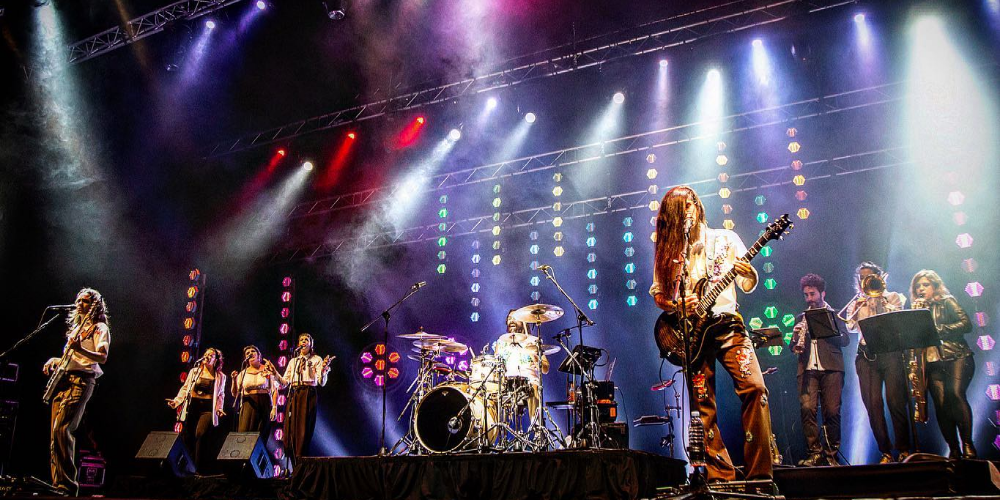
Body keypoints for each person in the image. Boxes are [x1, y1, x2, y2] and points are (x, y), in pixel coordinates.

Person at [649, 185, 773, 481]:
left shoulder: (725, 239)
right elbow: (658, 295)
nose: (684, 217)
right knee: (703, 406)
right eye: (676, 214)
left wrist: (750, 274)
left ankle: (760, 477)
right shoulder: (670, 254)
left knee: (755, 389)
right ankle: (720, 477)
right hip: (693, 335)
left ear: (696, 207)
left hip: (728, 324)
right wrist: (677, 305)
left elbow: (747, 283)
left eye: (687, 208)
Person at [42, 288, 111, 496]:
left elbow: (102, 356)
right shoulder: (77, 329)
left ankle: (68, 485)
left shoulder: (99, 328)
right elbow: (72, 358)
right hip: (65, 380)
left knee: (63, 428)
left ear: (94, 306)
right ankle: (58, 483)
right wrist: (56, 360)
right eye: (78, 300)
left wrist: (79, 349)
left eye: (85, 301)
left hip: (81, 381)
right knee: (55, 432)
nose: (80, 304)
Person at [842, 261, 910, 463]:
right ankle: (886, 451)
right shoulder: (856, 303)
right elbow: (851, 328)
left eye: (869, 277)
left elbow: (896, 321)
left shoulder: (893, 297)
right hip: (866, 356)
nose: (865, 281)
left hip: (890, 354)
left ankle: (904, 448)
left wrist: (880, 300)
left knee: (895, 401)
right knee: (873, 405)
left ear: (879, 278)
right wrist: (858, 307)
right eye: (862, 278)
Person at [910, 269, 975, 459]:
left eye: (925, 285)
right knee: (941, 405)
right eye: (918, 286)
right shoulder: (915, 310)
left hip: (956, 355)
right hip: (931, 361)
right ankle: (953, 448)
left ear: (935, 286)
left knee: (955, 394)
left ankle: (968, 443)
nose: (921, 289)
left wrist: (938, 330)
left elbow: (966, 324)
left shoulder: (947, 301)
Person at [791, 274, 848, 466]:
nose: (809, 299)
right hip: (807, 369)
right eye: (806, 295)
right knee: (807, 409)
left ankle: (831, 455)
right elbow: (793, 348)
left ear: (822, 293)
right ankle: (814, 453)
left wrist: (828, 328)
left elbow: (845, 340)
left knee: (832, 411)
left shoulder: (835, 314)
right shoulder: (801, 317)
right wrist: (795, 335)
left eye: (812, 294)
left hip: (831, 367)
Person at [273, 333, 332, 465]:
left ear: (311, 344)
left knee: (303, 428)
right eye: (301, 340)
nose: (303, 342)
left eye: (306, 340)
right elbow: (284, 382)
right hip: (294, 392)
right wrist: (275, 374)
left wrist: (324, 370)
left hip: (307, 392)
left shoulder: (316, 359)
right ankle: (292, 461)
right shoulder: (293, 361)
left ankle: (301, 460)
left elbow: (321, 382)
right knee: (291, 426)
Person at [168, 347, 226, 473]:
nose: (207, 356)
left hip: (207, 409)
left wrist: (219, 408)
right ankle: (184, 468)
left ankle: (197, 468)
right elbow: (185, 388)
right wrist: (177, 401)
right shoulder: (195, 371)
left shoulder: (220, 376)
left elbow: (221, 395)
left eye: (211, 355)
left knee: (201, 434)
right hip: (193, 407)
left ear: (216, 360)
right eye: (206, 354)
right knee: (187, 437)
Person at [494, 312, 550, 429]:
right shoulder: (501, 341)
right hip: (507, 383)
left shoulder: (533, 340)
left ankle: (537, 430)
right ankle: (494, 432)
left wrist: (533, 353)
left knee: (533, 387)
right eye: (509, 318)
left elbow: (545, 368)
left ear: (524, 321)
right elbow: (495, 366)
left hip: (529, 382)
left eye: (515, 318)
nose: (511, 320)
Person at [230, 345, 279, 434]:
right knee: (245, 432)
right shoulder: (243, 373)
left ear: (258, 355)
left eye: (253, 351)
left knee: (261, 433)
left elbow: (275, 390)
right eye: (247, 353)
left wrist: (274, 407)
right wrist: (233, 380)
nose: (250, 353)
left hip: (264, 401)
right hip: (248, 403)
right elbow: (235, 394)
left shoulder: (267, 369)